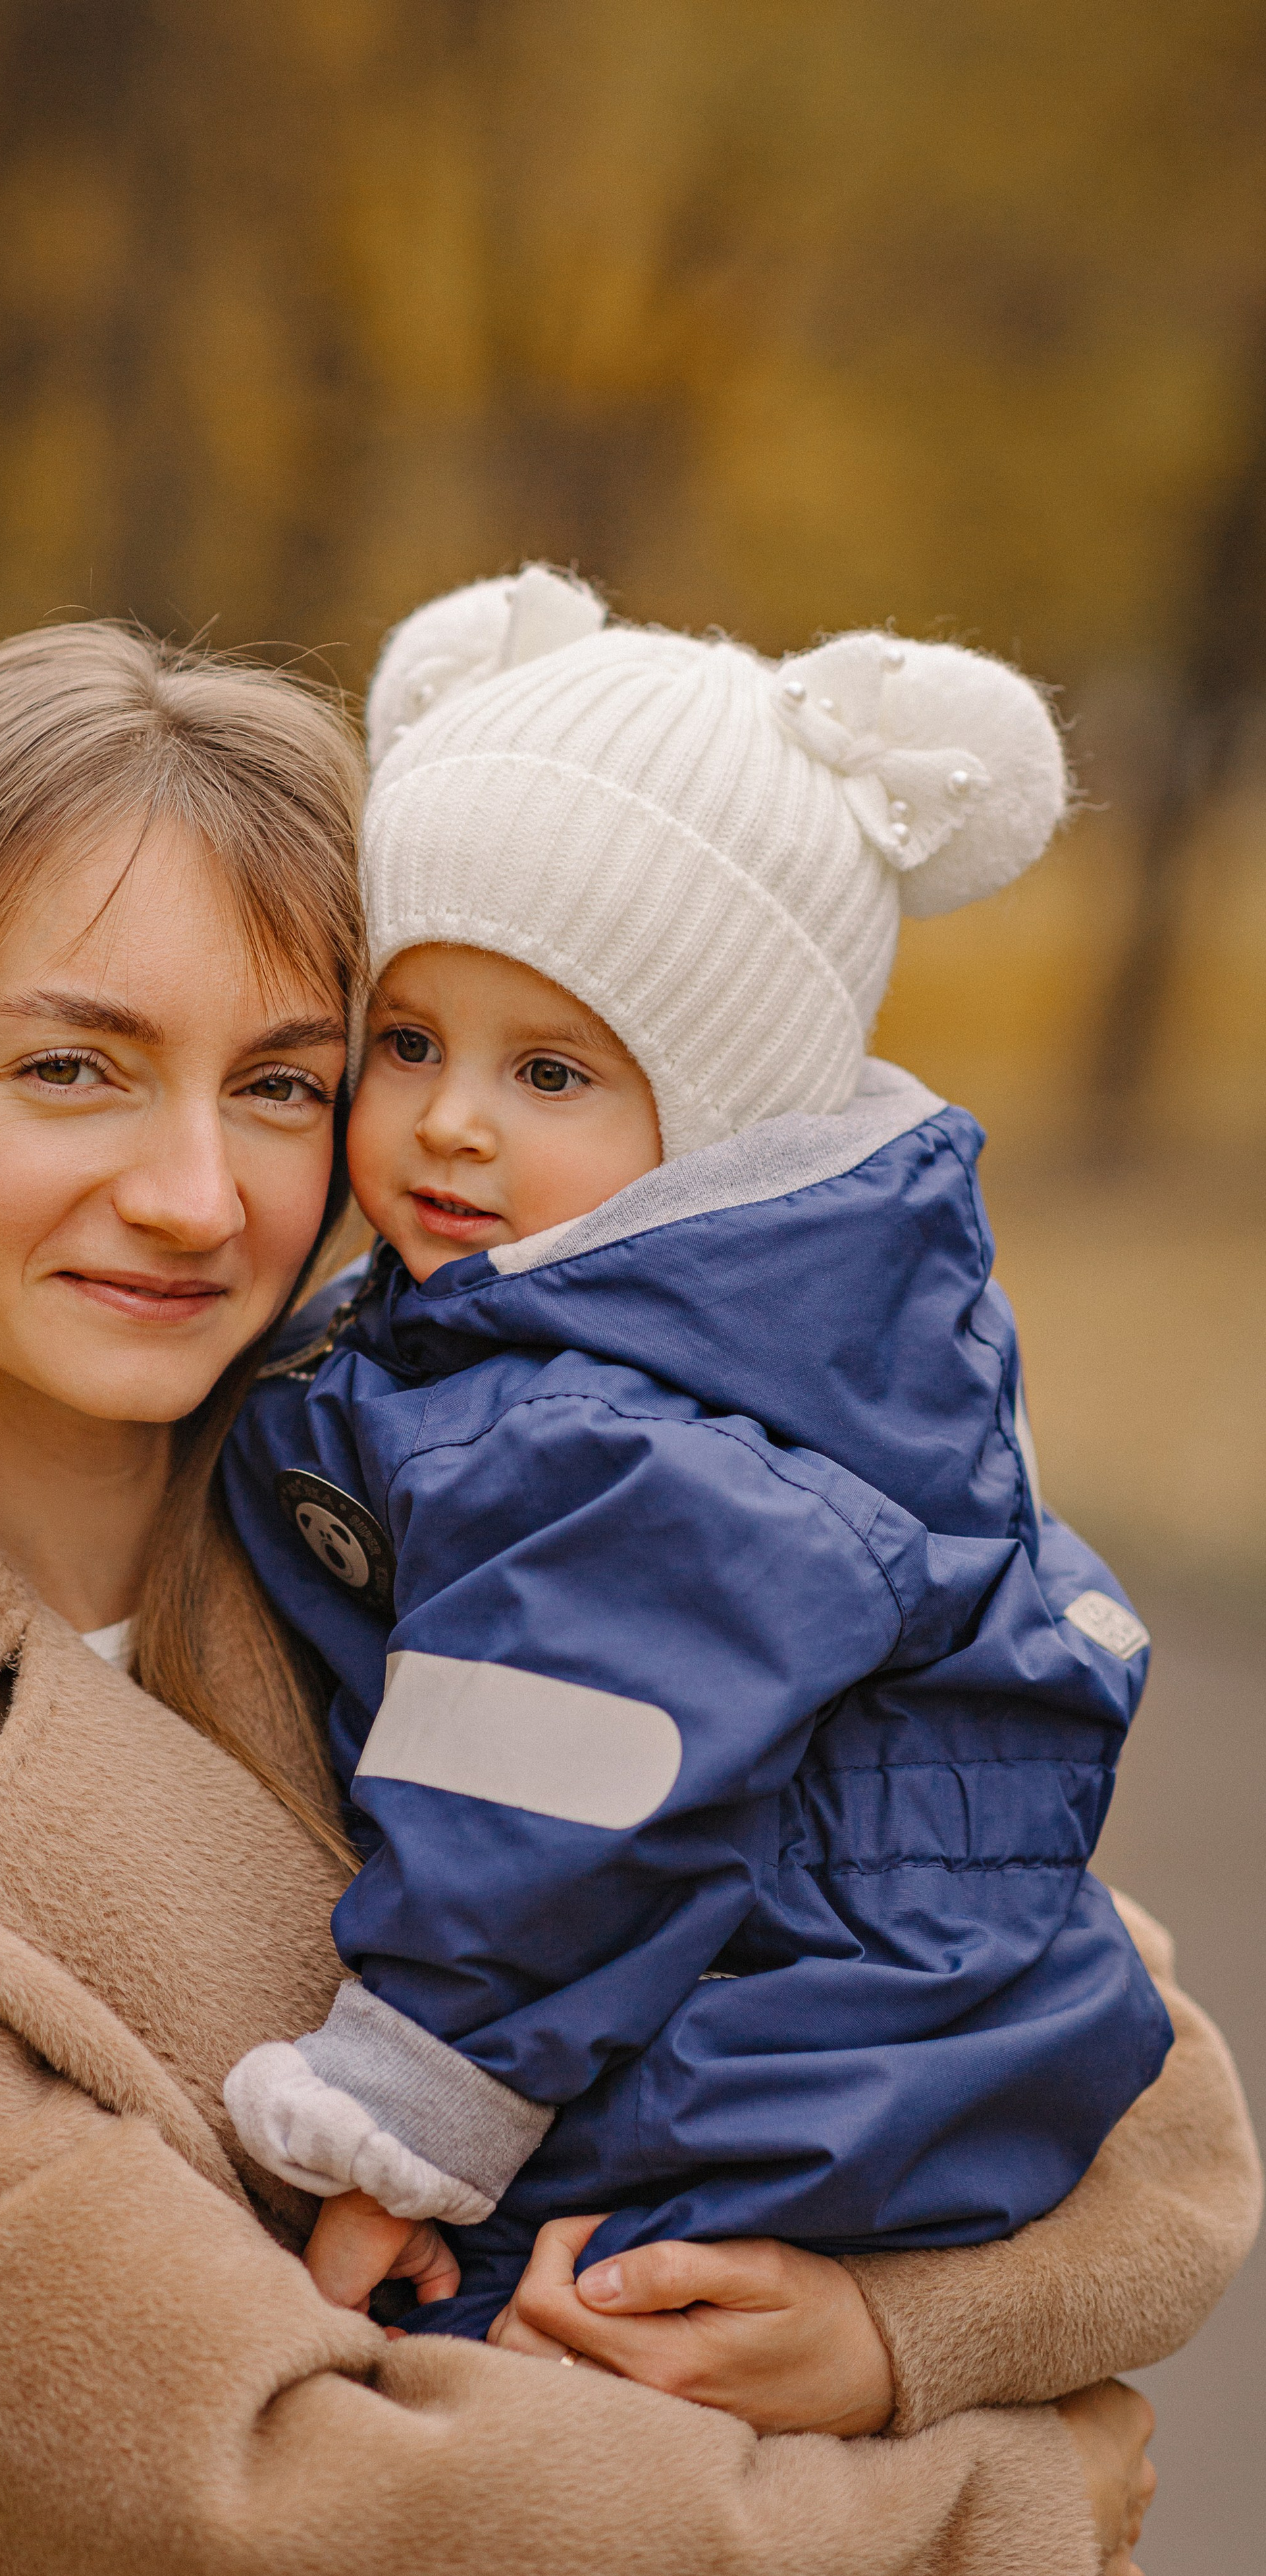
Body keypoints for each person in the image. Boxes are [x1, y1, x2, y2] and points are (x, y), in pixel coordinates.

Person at [0, 621, 1258, 2576]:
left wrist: (886, 2336)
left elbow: (1152, 2100)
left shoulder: (453, 1516)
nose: (197, 1194)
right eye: (72, 1069)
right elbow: (255, 2516)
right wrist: (998, 2503)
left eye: (285, 1083)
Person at [223, 569, 1171, 2338]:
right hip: (826, 2012)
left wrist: (391, 2136)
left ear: (716, 1116)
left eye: (554, 1073)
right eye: (409, 1042)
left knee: (517, 2338)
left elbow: (562, 1797)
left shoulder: (627, 1438)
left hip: (752, 2063)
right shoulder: (685, 1325)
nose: (452, 1117)